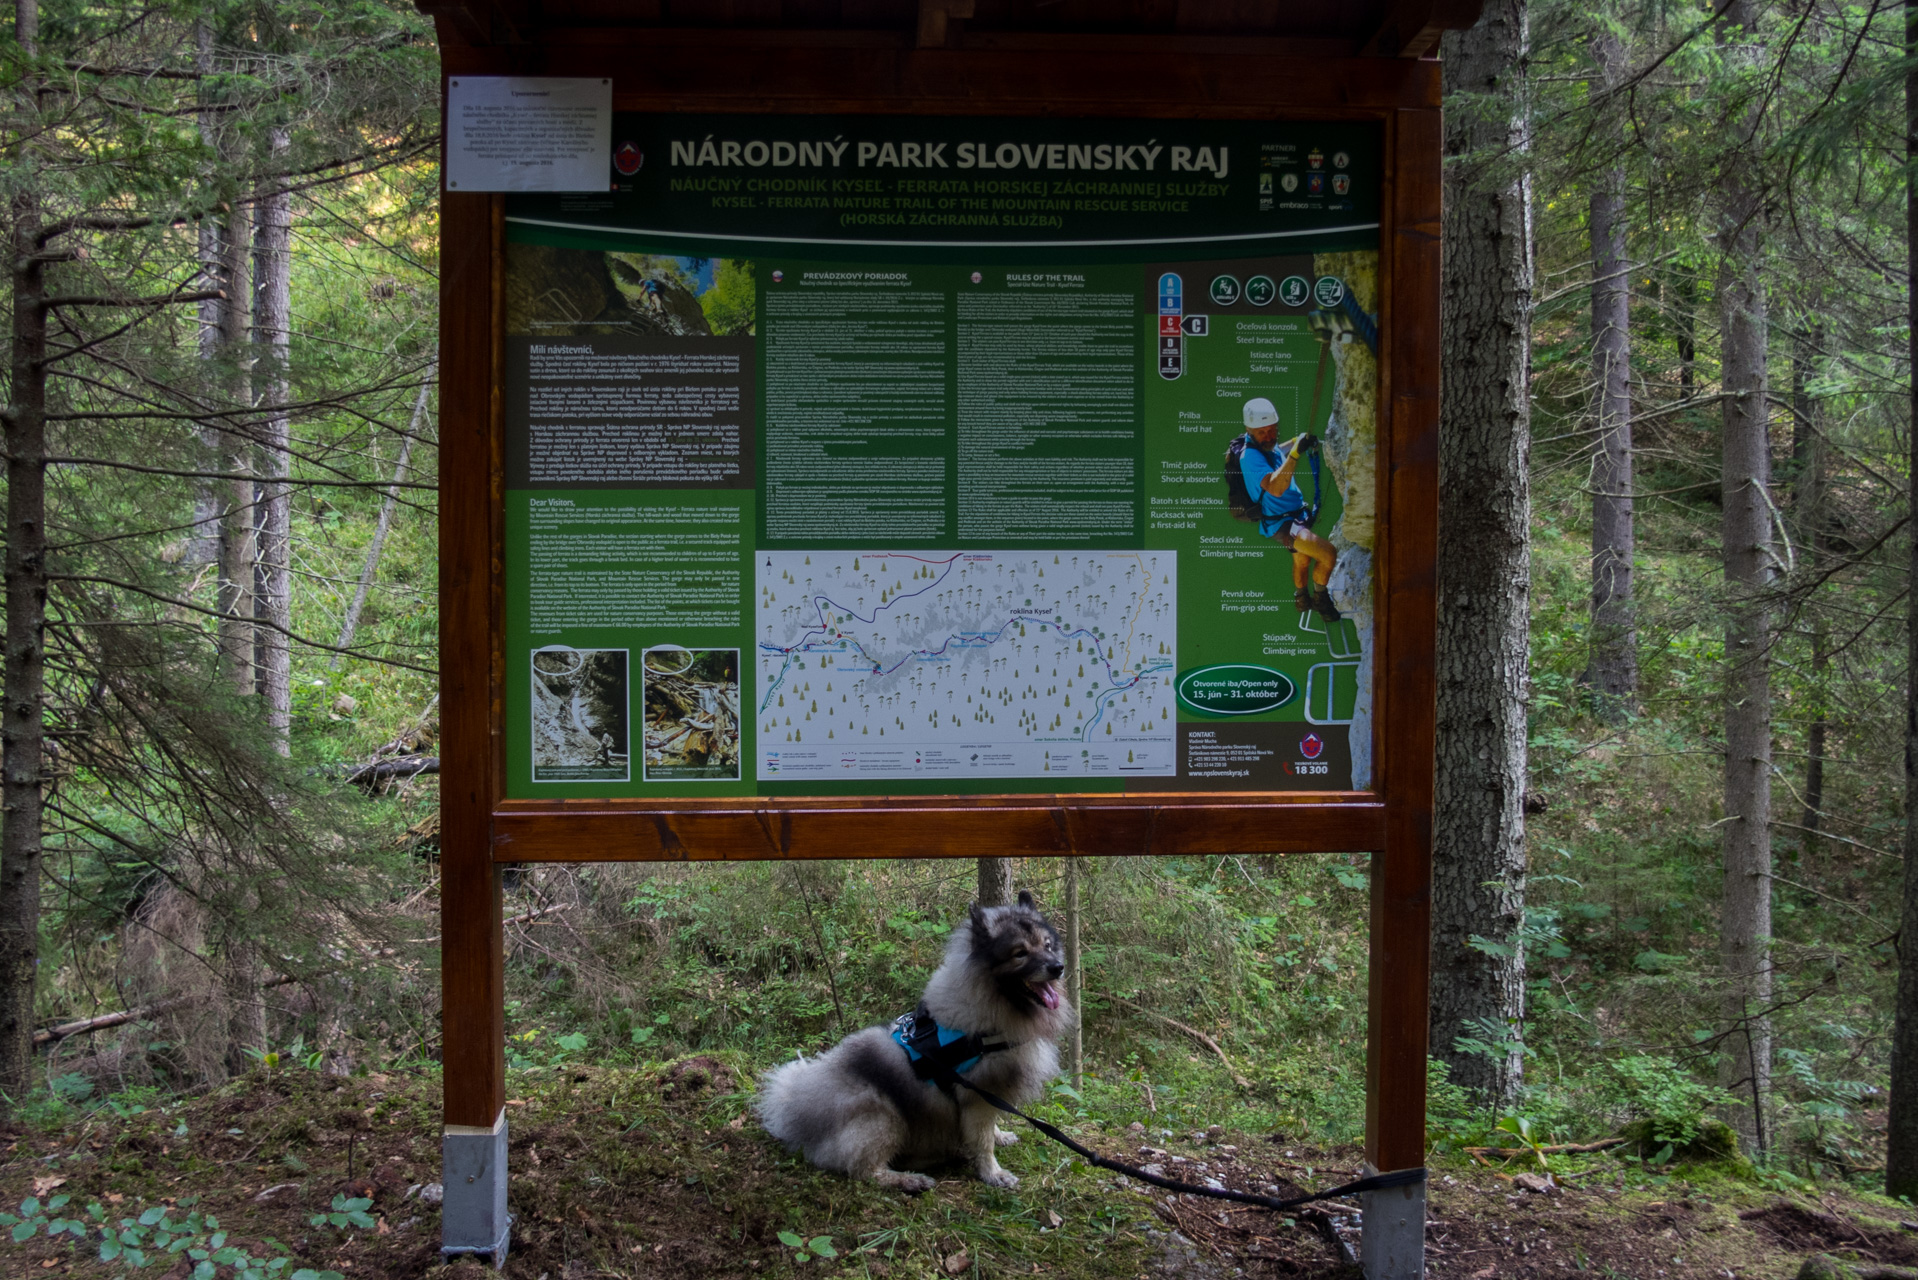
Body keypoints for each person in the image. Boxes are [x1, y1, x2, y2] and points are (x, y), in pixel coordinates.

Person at [1238, 396, 1340, 622]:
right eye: (1263, 433)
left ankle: (1301, 598)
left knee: (1302, 560)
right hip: (1283, 524)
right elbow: (1275, 487)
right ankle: (1321, 600)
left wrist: (1297, 441)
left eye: (1272, 430)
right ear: (1249, 430)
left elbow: (1278, 451)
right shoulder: (1250, 457)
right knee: (1327, 554)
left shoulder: (1265, 446)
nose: (1270, 436)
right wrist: (1295, 454)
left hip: (1293, 516)